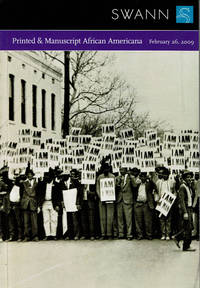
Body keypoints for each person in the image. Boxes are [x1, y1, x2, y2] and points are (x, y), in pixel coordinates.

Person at [172, 170, 196, 251]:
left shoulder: (188, 186)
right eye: (188, 177)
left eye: (190, 177)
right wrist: (185, 212)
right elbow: (181, 200)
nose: (189, 179)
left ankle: (177, 237)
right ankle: (186, 246)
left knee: (189, 227)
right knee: (188, 228)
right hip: (185, 209)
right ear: (184, 178)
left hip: (189, 208)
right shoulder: (183, 187)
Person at [60, 169, 83, 240]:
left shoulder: (75, 181)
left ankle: (77, 234)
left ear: (68, 176)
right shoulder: (61, 183)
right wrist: (62, 202)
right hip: (67, 203)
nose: (63, 177)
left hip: (74, 203)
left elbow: (79, 193)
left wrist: (78, 203)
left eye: (64, 176)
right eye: (62, 176)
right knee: (68, 219)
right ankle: (70, 235)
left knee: (75, 219)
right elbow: (60, 194)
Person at [38, 170, 61, 240]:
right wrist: (39, 204)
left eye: (48, 176)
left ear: (52, 177)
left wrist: (57, 205)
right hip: (45, 203)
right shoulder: (42, 184)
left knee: (54, 219)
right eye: (45, 176)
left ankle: (54, 234)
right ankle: (47, 234)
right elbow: (39, 195)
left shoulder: (56, 184)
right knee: (46, 219)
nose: (46, 177)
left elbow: (59, 196)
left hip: (53, 203)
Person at [115, 167, 137, 240]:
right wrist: (117, 184)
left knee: (128, 219)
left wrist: (131, 177)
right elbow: (114, 188)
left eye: (123, 170)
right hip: (119, 200)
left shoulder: (131, 177)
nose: (121, 171)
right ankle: (121, 234)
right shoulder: (117, 178)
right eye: (120, 169)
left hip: (127, 200)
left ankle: (129, 234)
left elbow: (135, 186)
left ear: (126, 170)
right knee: (120, 218)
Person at [134, 172, 156, 240]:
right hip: (138, 203)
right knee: (138, 221)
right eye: (141, 177)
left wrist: (150, 179)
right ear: (140, 177)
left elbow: (155, 186)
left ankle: (149, 235)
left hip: (146, 204)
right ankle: (140, 235)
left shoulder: (149, 184)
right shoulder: (137, 184)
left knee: (148, 221)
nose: (143, 178)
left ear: (146, 177)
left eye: (144, 177)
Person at [96, 162, 116, 240]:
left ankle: (109, 234)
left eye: (107, 169)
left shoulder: (113, 176)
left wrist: (109, 196)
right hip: (102, 200)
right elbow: (97, 189)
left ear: (109, 169)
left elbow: (113, 187)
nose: (106, 170)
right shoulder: (99, 177)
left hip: (110, 199)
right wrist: (101, 197)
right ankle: (103, 234)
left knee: (110, 217)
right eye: (104, 169)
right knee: (102, 217)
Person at [20, 169, 39, 241]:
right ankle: (26, 236)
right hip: (25, 204)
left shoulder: (37, 183)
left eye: (31, 174)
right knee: (26, 221)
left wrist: (38, 204)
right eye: (28, 174)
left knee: (34, 221)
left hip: (33, 203)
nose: (29, 175)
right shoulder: (24, 183)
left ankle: (35, 236)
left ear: (33, 175)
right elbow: (21, 193)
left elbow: (38, 194)